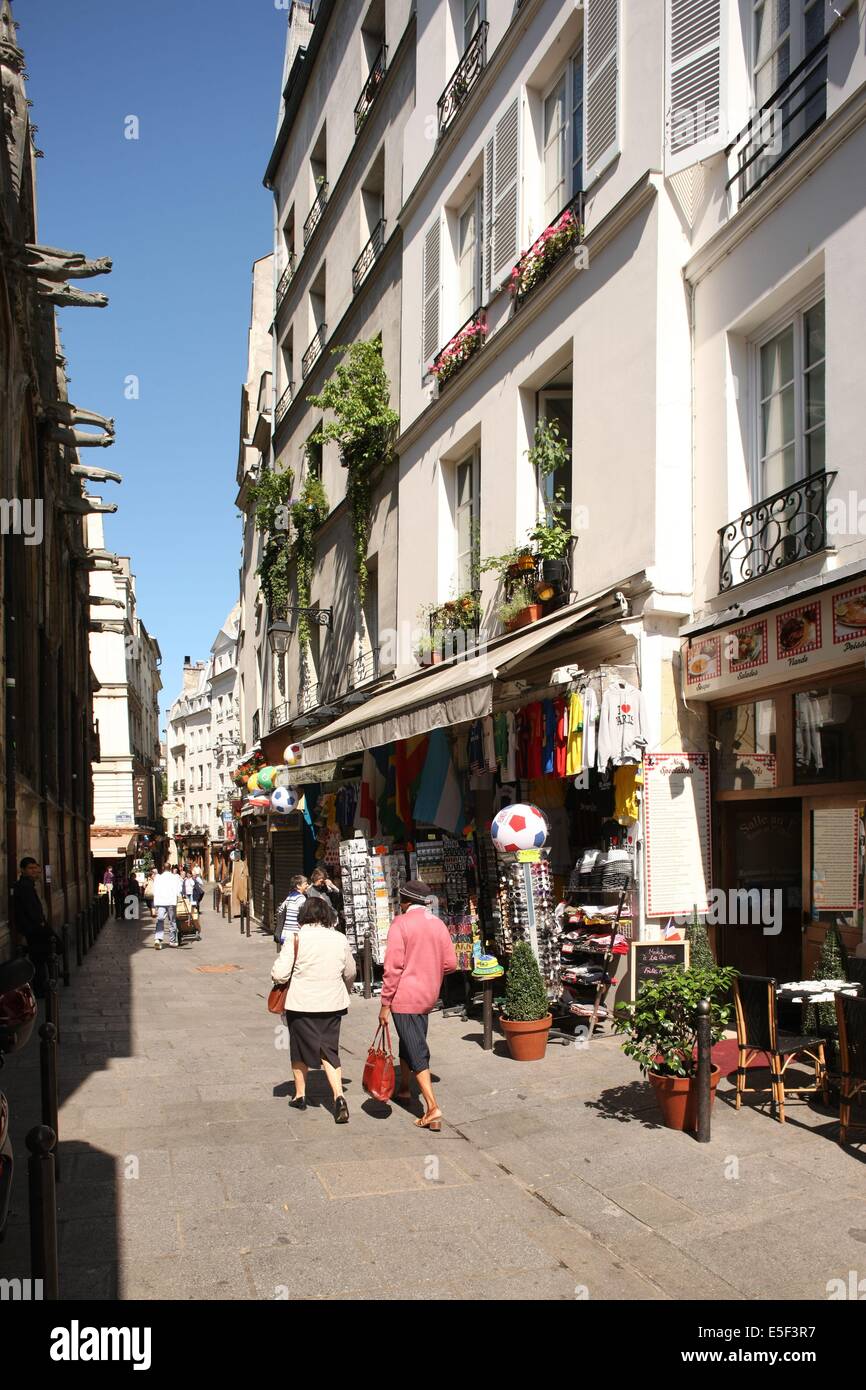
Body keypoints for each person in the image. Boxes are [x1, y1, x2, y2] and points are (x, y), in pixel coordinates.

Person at [379, 880, 457, 1132]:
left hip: (405, 997)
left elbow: (393, 968)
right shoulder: (438, 924)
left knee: (416, 1048)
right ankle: (404, 1088)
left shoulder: (400, 924)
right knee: (409, 1040)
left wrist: (385, 1003)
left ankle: (432, 1107)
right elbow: (451, 964)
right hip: (427, 996)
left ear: (405, 901)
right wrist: (429, 970)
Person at [272, 896, 356, 1123]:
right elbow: (350, 972)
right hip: (332, 1004)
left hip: (301, 1004)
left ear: (303, 916)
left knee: (299, 1049)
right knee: (329, 1050)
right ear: (327, 915)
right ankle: (338, 1096)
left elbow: (279, 974)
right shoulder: (339, 939)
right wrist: (343, 990)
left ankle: (300, 1095)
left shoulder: (295, 938)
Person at [11, 857, 59, 997]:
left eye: (35, 868)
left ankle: (42, 985)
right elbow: (30, 909)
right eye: (30, 868)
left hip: (33, 928)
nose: (34, 871)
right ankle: (40, 988)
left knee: (42, 957)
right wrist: (40, 923)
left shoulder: (28, 885)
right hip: (33, 929)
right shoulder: (24, 886)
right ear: (23, 870)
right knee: (39, 959)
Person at [152, 863, 180, 949]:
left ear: (163, 868)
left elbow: (154, 889)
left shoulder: (158, 877)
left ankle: (158, 939)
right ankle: (172, 941)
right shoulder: (175, 877)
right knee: (172, 921)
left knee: (160, 919)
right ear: (170, 868)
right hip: (171, 901)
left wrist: (155, 902)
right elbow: (179, 889)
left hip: (161, 901)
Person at [276, 874, 308, 945]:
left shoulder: (290, 896)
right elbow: (305, 915)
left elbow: (280, 910)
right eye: (305, 884)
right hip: (295, 934)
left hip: (286, 934)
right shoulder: (301, 898)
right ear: (298, 886)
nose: (307, 885)